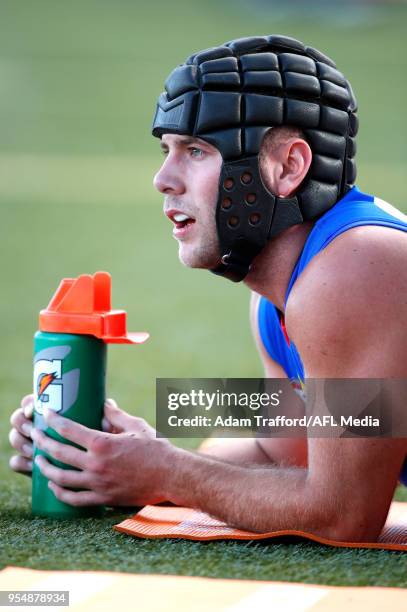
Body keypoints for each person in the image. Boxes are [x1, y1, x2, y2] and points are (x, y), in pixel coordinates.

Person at [8, 35, 407, 542]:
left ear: (288, 167)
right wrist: (132, 456)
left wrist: (169, 474)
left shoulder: (354, 268)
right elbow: (278, 452)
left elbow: (344, 514)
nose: (162, 179)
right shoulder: (280, 297)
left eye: (196, 151)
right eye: (167, 150)